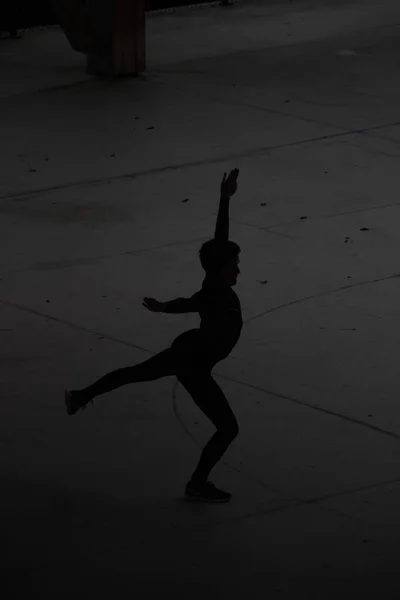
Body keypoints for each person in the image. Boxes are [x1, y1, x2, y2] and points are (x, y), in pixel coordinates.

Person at [65, 168, 242, 503]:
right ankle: (197, 484)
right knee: (227, 427)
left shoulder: (214, 275)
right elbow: (193, 302)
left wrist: (224, 198)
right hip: (192, 361)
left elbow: (219, 240)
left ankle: (80, 396)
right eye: (234, 264)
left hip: (193, 354)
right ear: (220, 270)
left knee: (137, 374)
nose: (239, 269)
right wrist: (164, 308)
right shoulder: (215, 291)